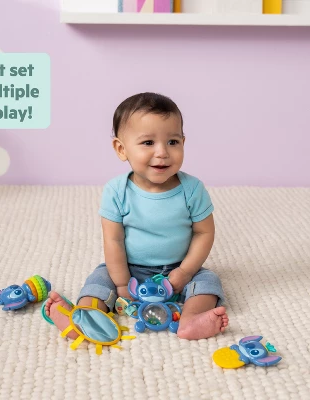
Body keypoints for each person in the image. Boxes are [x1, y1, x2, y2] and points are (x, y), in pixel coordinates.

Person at [45, 92, 228, 340]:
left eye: (173, 142)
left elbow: (204, 232)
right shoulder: (117, 191)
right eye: (148, 142)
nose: (162, 152)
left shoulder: (192, 189)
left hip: (178, 268)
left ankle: (192, 318)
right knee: (100, 279)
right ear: (122, 149)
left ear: (183, 143)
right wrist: (122, 283)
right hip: (129, 268)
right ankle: (87, 315)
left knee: (208, 281)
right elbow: (113, 240)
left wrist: (185, 272)